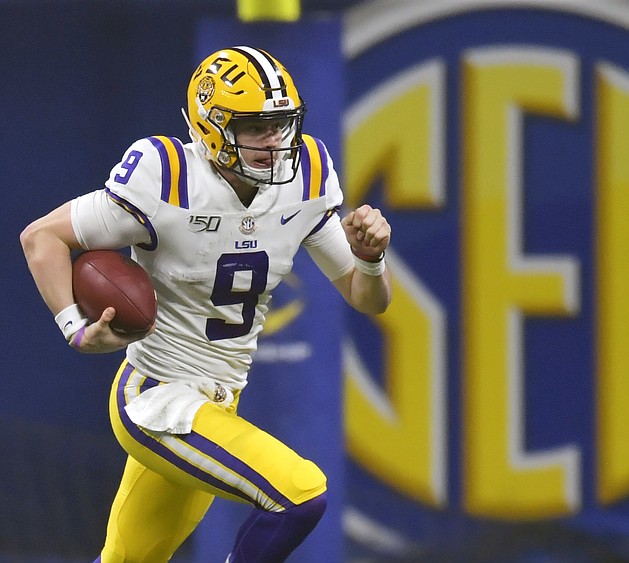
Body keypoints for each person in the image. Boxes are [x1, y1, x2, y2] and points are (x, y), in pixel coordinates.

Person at [19, 45, 392, 562]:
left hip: (217, 402)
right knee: (300, 495)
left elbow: (365, 297)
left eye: (281, 124)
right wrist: (75, 329)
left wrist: (371, 260)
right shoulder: (167, 174)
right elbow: (42, 238)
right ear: (212, 127)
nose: (273, 142)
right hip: (156, 398)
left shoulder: (305, 176)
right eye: (255, 128)